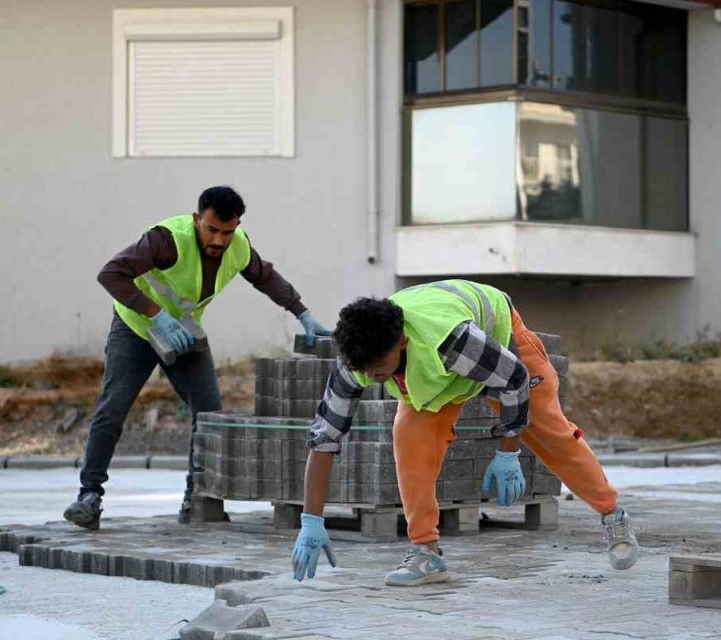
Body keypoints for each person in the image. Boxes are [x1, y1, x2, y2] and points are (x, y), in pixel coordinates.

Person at [289, 279, 639, 585]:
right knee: (409, 442)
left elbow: (513, 379)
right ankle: (426, 553)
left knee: (550, 432)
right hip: (439, 377)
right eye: (364, 369)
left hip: (498, 346)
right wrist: (311, 520)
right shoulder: (356, 360)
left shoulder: (453, 341)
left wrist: (508, 451)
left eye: (378, 368)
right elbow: (324, 438)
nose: (371, 377)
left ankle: (613, 514)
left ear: (402, 342)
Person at [63, 186, 330, 529]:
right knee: (113, 408)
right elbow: (110, 273)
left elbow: (265, 277)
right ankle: (89, 496)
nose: (219, 240)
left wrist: (302, 312)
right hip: (136, 328)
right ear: (197, 219)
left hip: (186, 333)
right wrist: (155, 314)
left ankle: (196, 498)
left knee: (209, 413)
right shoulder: (166, 239)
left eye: (228, 232)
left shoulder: (239, 247)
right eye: (212, 230)